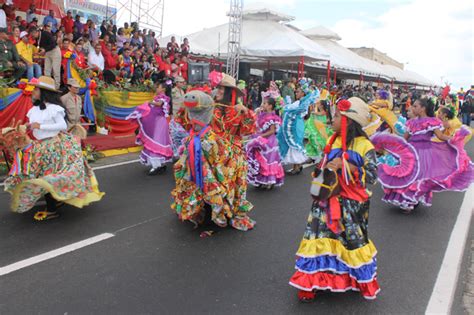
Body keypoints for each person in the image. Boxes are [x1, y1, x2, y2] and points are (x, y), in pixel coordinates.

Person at [289, 97, 380, 301]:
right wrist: (323, 171)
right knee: (318, 238)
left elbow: (372, 176)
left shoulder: (365, 145)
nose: (333, 120)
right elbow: (322, 167)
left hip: (352, 206)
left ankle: (352, 279)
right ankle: (311, 281)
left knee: (350, 242)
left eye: (338, 116)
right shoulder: (333, 140)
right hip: (325, 202)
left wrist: (347, 166)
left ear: (349, 121)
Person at [1, 76, 103, 220]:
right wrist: (28, 127)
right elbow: (36, 128)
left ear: (43, 92)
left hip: (55, 147)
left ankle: (52, 209)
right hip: (41, 146)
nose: (33, 91)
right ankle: (56, 200)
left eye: (36, 89)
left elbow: (61, 126)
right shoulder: (34, 109)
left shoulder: (55, 108)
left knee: (48, 177)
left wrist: (40, 126)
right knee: (41, 175)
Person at [373, 97, 474, 213]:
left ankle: (412, 200)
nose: (412, 108)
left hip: (425, 153)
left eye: (415, 106)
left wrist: (453, 139)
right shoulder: (411, 123)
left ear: (423, 109)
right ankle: (408, 200)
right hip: (411, 153)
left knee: (419, 178)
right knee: (407, 176)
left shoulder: (431, 121)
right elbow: (405, 139)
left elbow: (440, 136)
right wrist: (391, 145)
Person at [172, 90, 254, 231]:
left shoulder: (238, 110)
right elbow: (185, 120)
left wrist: (246, 112)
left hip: (231, 150)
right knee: (198, 175)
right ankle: (203, 211)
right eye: (220, 87)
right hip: (208, 146)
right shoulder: (211, 106)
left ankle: (226, 211)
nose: (220, 90)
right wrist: (187, 106)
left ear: (232, 93)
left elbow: (249, 129)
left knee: (229, 175)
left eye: (224, 88)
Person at [127, 81, 174, 175]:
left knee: (156, 142)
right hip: (158, 122)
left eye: (158, 87)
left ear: (163, 89)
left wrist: (149, 102)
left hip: (159, 123)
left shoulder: (163, 97)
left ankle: (157, 165)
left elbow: (159, 104)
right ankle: (160, 164)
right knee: (157, 141)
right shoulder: (159, 97)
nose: (156, 89)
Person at [277, 80, 316, 175]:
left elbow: (292, 111)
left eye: (298, 91)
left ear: (303, 93)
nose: (296, 93)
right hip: (297, 124)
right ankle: (297, 166)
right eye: (296, 91)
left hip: (296, 125)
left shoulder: (302, 103)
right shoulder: (301, 102)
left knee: (295, 144)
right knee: (295, 144)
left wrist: (285, 106)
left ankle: (296, 167)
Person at [246, 97, 284, 189]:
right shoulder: (261, 114)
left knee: (269, 162)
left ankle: (270, 182)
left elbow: (272, 131)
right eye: (263, 103)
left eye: (265, 103)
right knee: (260, 161)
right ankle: (261, 180)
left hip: (269, 143)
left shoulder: (273, 117)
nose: (262, 105)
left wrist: (260, 136)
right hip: (261, 141)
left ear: (270, 106)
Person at [38, 23, 61, 90]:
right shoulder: (37, 38)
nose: (49, 29)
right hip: (47, 52)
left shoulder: (45, 34)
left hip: (55, 51)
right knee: (47, 69)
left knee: (55, 69)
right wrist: (41, 51)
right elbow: (40, 46)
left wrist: (44, 49)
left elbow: (53, 44)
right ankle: (46, 84)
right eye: (48, 27)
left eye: (50, 27)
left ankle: (56, 86)